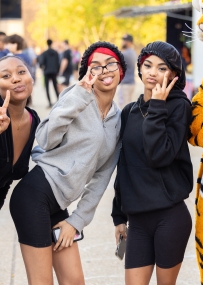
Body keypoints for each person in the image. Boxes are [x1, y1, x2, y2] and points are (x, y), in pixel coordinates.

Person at [9, 41, 126, 285]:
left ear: (120, 69)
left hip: (58, 205)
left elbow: (102, 178)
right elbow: (45, 138)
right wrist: (78, 98)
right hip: (34, 195)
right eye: (96, 66)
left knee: (74, 281)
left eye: (110, 64)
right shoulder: (76, 95)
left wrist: (77, 221)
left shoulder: (118, 120)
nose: (104, 70)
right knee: (42, 282)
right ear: (88, 73)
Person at [112, 41, 193, 285]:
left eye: (161, 68)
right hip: (137, 220)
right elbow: (124, 165)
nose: (152, 72)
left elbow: (160, 155)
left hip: (169, 216)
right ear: (139, 68)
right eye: (147, 65)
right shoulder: (130, 111)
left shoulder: (179, 106)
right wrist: (118, 216)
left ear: (174, 75)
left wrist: (157, 106)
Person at [0, 55, 40, 210]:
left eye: (21, 72)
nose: (16, 79)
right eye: (6, 76)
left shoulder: (33, 120)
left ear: (32, 78)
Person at [38, 39, 60, 108]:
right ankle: (59, 101)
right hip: (54, 71)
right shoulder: (55, 52)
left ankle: (49, 103)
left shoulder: (44, 53)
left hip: (47, 72)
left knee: (47, 88)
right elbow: (58, 62)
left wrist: (42, 67)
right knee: (55, 87)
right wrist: (57, 71)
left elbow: (41, 63)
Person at [117, 33, 137, 109]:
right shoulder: (133, 52)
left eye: (125, 40)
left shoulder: (125, 54)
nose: (123, 42)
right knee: (129, 107)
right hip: (131, 83)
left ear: (129, 42)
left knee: (123, 108)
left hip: (125, 85)